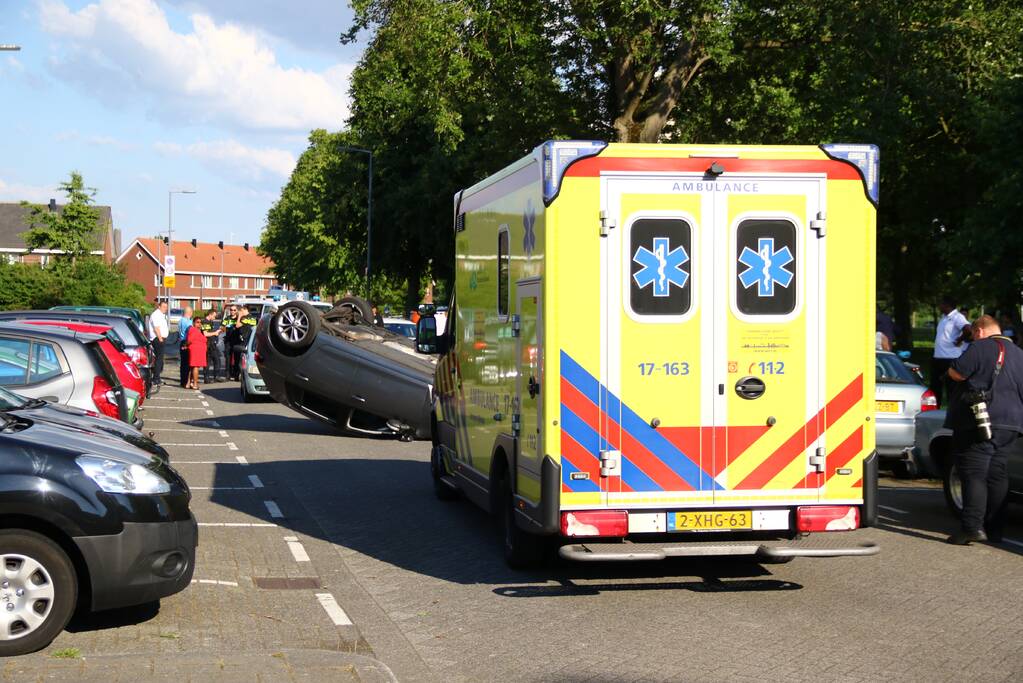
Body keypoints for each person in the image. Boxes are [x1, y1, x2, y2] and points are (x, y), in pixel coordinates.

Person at [944, 315, 1023, 545]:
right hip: (1012, 423)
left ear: (979, 330)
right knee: (997, 473)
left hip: (980, 420)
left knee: (974, 472)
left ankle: (971, 527)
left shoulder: (980, 347)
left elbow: (956, 372)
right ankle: (995, 530)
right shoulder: (1019, 354)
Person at [931, 296, 970, 407]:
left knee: (951, 388)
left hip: (950, 358)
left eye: (941, 304)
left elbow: (968, 329)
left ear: (947, 305)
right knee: (935, 386)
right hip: (938, 357)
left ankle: (953, 412)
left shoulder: (957, 317)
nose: (939, 306)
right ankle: (935, 410)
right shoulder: (943, 317)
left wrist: (960, 339)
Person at [229, 306, 257, 381]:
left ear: (245, 310)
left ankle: (237, 375)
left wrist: (239, 316)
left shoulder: (244, 318)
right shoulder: (253, 318)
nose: (239, 312)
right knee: (247, 359)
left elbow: (237, 325)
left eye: (240, 311)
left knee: (238, 359)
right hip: (249, 341)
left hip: (242, 341)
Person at [147, 301, 169, 385]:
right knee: (159, 359)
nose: (165, 309)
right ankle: (156, 378)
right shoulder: (156, 315)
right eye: (163, 307)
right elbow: (156, 328)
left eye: (166, 307)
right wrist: (160, 338)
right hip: (157, 339)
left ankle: (157, 377)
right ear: (159, 306)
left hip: (160, 338)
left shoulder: (161, 315)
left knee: (159, 359)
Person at [200, 310, 225, 383]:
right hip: (208, 344)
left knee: (215, 359)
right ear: (210, 315)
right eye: (214, 316)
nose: (215, 317)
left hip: (212, 343)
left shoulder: (210, 322)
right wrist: (215, 333)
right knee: (210, 361)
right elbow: (205, 334)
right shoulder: (205, 322)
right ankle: (208, 378)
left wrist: (219, 331)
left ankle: (214, 376)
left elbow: (211, 332)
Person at [184, 316, 208, 390]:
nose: (199, 324)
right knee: (195, 367)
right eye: (197, 322)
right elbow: (189, 340)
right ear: (193, 323)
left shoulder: (198, 330)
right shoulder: (193, 329)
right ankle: (195, 384)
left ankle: (188, 383)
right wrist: (185, 345)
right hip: (196, 351)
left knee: (192, 367)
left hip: (198, 350)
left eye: (201, 322)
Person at [178, 305, 194, 388]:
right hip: (186, 342)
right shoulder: (188, 322)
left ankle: (182, 381)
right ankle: (186, 382)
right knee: (187, 363)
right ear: (190, 313)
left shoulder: (181, 320)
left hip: (182, 341)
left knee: (183, 363)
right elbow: (190, 332)